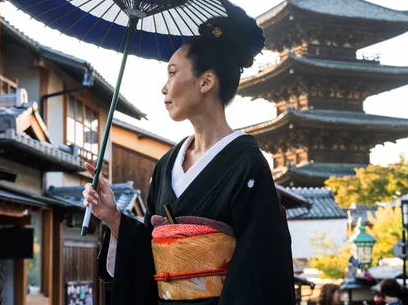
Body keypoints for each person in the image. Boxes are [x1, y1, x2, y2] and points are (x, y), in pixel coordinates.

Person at [82, 18, 295, 304]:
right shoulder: (166, 165)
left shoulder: (247, 164)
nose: (164, 87)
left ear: (206, 81)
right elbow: (150, 254)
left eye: (172, 73)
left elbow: (260, 267)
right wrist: (113, 217)